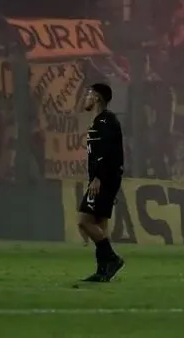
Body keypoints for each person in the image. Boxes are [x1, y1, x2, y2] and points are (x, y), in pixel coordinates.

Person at [77, 83, 125, 283]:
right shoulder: (100, 121)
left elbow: (105, 153)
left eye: (88, 94)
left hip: (103, 178)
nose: (85, 97)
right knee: (99, 223)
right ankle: (103, 270)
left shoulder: (106, 121)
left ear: (96, 98)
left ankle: (112, 259)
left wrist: (98, 178)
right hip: (106, 178)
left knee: (84, 221)